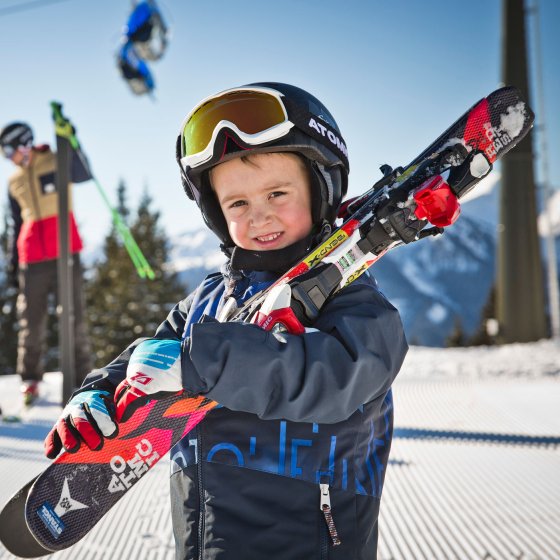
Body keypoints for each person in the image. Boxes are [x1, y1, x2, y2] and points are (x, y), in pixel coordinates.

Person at [44, 83, 408, 559]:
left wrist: (204, 366)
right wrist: (96, 393)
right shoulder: (210, 299)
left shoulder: (355, 302)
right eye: (237, 204)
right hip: (205, 538)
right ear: (216, 212)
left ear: (321, 189)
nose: (259, 216)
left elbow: (336, 376)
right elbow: (150, 353)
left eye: (277, 193)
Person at [0, 122, 92, 404]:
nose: (7, 158)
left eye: (8, 151)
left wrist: (70, 139)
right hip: (32, 257)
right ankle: (30, 379)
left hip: (65, 249)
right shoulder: (14, 181)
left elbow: (82, 173)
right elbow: (16, 223)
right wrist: (15, 264)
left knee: (73, 315)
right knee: (31, 319)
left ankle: (84, 379)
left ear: (23, 144)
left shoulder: (56, 159)